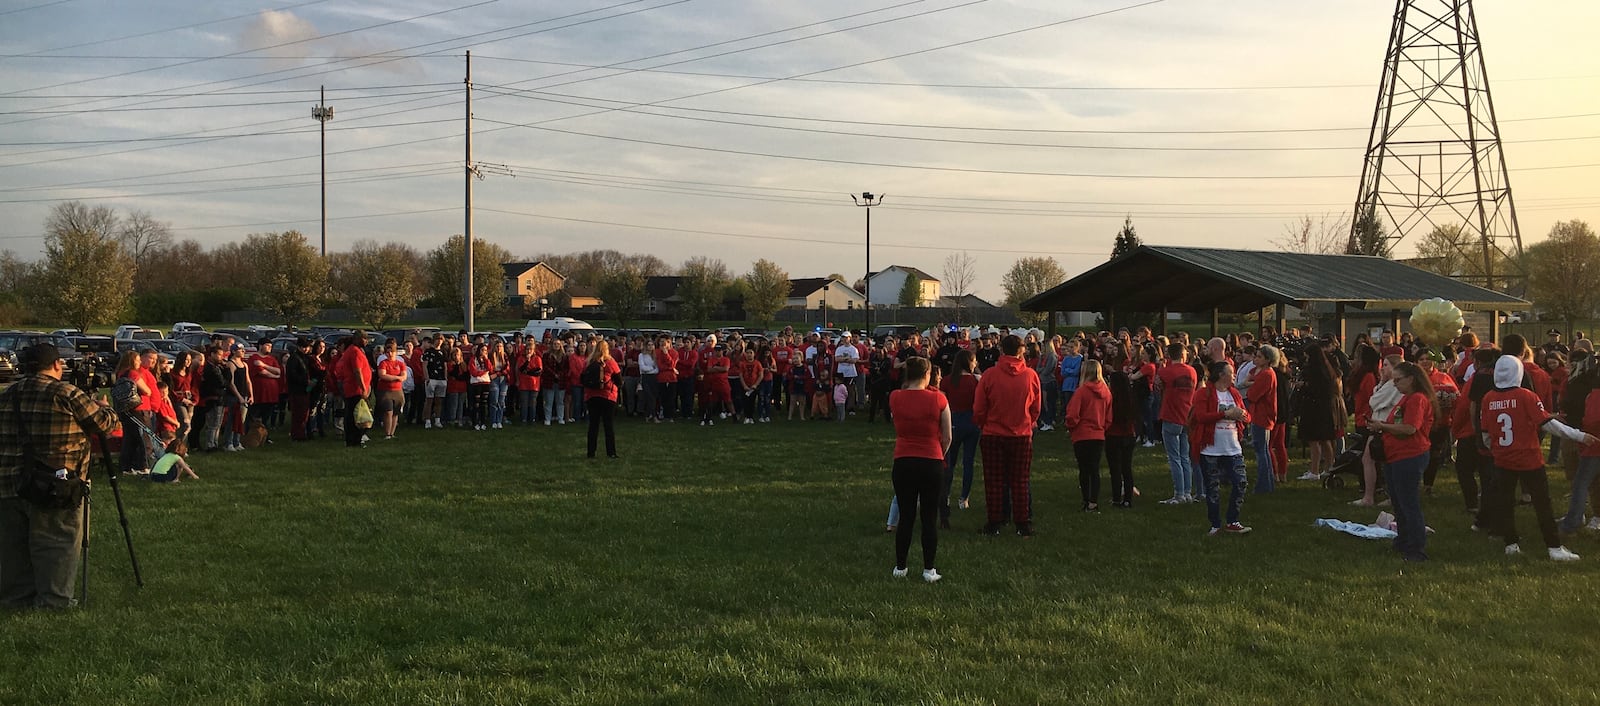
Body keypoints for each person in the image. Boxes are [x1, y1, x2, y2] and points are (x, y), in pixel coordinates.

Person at [0, 344, 120, 610]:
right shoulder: (65, 393)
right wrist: (106, 407)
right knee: (56, 543)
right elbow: (104, 425)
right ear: (56, 365)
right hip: (56, 485)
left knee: (14, 548)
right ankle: (53, 601)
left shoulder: (9, 394)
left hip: (10, 482)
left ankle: (15, 600)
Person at [1481, 355, 1598, 561]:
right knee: (1542, 504)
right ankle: (1553, 547)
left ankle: (1511, 544)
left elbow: (1486, 433)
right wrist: (1579, 435)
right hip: (1529, 460)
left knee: (1505, 503)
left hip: (1502, 460)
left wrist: (1497, 449)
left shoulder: (1488, 397)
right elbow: (1549, 424)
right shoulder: (1526, 395)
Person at [889, 356, 952, 583]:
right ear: (928, 374)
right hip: (931, 460)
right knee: (928, 516)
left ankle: (900, 566)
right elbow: (947, 436)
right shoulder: (939, 399)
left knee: (906, 516)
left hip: (903, 459)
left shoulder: (895, 397)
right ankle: (929, 569)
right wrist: (939, 454)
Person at [1367, 361, 1436, 562]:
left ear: (1411, 379)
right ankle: (1404, 541)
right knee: (1399, 502)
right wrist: (1381, 426)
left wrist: (1383, 426)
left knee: (1408, 503)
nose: (1394, 384)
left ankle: (1416, 549)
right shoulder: (1406, 398)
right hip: (1397, 455)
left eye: (1398, 380)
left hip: (1410, 455)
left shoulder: (1416, 399)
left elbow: (1410, 428)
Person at [973, 335, 1042, 537]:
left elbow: (978, 407)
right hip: (1021, 433)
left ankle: (995, 521)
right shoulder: (1030, 376)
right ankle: (1022, 523)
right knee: (1020, 480)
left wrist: (983, 423)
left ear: (1002, 350)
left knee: (994, 480)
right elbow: (1036, 407)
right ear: (1021, 351)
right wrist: (1028, 422)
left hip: (993, 433)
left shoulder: (989, 375)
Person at [1194, 361, 1252, 535]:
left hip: (1233, 448)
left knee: (1240, 482)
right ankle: (1215, 524)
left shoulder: (1234, 393)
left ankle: (1233, 520)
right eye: (1231, 373)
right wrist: (1225, 414)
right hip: (1210, 449)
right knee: (1212, 488)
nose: (1233, 376)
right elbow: (1200, 416)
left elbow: (1246, 416)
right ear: (1221, 375)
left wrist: (1242, 415)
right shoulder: (1204, 393)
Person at [1064, 360, 1111, 512]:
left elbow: (1072, 414)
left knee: (1084, 470)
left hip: (1082, 434)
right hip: (1098, 433)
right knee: (1094, 469)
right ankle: (1093, 501)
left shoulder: (1082, 391)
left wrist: (1071, 426)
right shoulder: (1106, 392)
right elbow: (1109, 416)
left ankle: (1086, 499)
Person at [940, 350, 981, 517]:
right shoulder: (976, 381)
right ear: (969, 362)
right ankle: (964, 497)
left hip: (953, 421)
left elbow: (942, 404)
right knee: (968, 462)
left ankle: (946, 495)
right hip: (972, 422)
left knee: (949, 462)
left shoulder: (947, 381)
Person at [1296, 344, 1345, 481]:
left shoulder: (1314, 370)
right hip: (1326, 408)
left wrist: (1303, 386)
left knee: (1314, 441)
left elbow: (1314, 389)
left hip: (1314, 408)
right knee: (1326, 439)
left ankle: (1314, 470)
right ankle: (1329, 467)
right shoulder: (1327, 370)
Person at [1157, 343, 1198, 504]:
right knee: (1185, 456)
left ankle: (1179, 494)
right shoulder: (1192, 371)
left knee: (1174, 457)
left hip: (1171, 414)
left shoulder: (1165, 371)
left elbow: (1158, 386)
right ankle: (1187, 492)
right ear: (1183, 355)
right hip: (1187, 415)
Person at [1245, 345, 1280, 493]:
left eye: (1259, 356)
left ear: (1267, 360)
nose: (1256, 359)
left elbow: (1252, 395)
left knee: (1261, 451)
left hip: (1261, 415)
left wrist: (1250, 386)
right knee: (1263, 450)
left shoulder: (1266, 375)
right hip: (1262, 414)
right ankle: (1268, 483)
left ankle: (1263, 485)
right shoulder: (1266, 373)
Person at [583, 340, 623, 459]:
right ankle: (611, 452)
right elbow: (619, 381)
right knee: (608, 425)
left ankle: (591, 452)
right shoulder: (610, 362)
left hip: (591, 396)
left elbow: (582, 378)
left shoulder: (589, 362)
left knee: (593, 425)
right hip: (607, 396)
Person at [336, 332, 372, 448]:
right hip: (355, 389)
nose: (366, 341)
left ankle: (353, 439)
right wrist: (363, 388)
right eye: (364, 339)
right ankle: (354, 440)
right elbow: (357, 371)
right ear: (357, 339)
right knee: (354, 415)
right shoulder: (355, 352)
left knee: (352, 414)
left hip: (353, 388)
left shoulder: (353, 350)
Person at [374, 339, 407, 440]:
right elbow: (383, 375)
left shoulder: (400, 363)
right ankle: (387, 433)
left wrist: (397, 377)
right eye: (387, 352)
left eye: (391, 352)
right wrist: (396, 378)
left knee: (395, 412)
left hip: (397, 390)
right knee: (388, 411)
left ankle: (392, 433)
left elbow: (404, 375)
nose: (389, 354)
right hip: (385, 391)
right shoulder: (383, 363)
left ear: (395, 352)